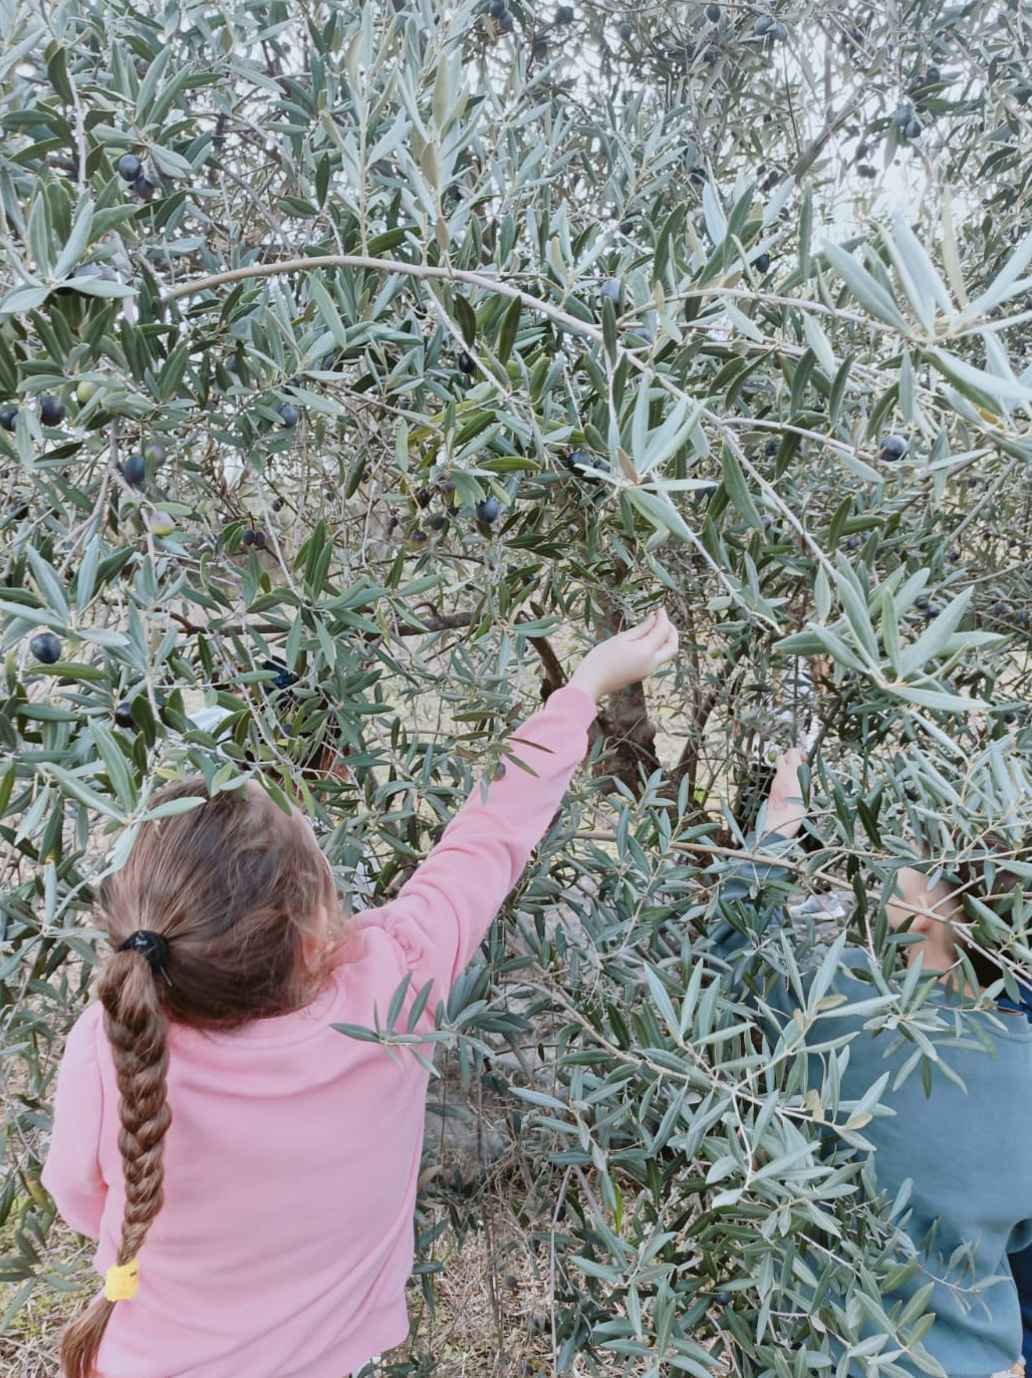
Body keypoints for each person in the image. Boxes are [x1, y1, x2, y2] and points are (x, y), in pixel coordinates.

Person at [42, 610, 680, 1378]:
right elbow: (488, 836)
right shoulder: (391, 989)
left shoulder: (109, 1041)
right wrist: (582, 688)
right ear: (315, 934)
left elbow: (79, 1198)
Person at [709, 748, 1032, 1378]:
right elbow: (1011, 1237)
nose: (887, 865)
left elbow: (733, 952)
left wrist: (777, 823)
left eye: (911, 861)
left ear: (941, 909)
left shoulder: (845, 1017)